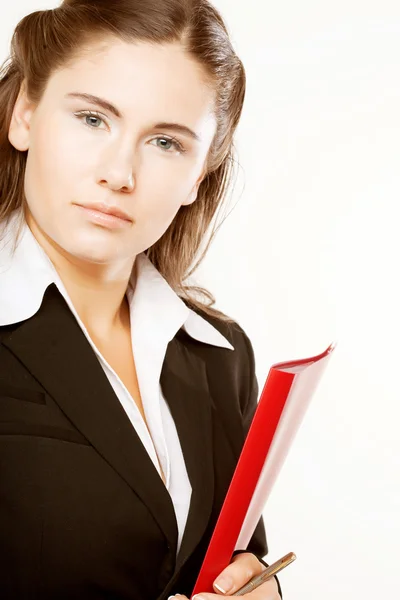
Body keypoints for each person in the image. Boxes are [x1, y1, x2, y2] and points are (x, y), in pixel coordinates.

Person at [0, 1, 282, 599]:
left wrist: (262, 592)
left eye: (165, 142)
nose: (119, 172)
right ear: (24, 112)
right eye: (92, 119)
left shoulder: (220, 354)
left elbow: (235, 563)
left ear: (199, 174)